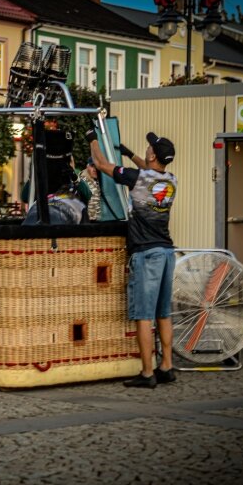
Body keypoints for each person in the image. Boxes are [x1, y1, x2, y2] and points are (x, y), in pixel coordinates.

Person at [87, 130, 178, 389]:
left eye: (149, 148)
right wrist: (129, 154)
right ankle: (167, 367)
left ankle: (147, 373)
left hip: (146, 254)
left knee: (144, 316)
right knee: (163, 313)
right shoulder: (170, 179)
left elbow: (102, 164)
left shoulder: (137, 178)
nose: (147, 150)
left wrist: (93, 139)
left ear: (152, 155)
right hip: (167, 251)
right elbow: (149, 171)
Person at [77, 157, 102, 221]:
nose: (95, 169)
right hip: (88, 222)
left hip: (100, 221)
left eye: (96, 167)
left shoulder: (100, 179)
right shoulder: (82, 182)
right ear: (87, 166)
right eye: (92, 166)